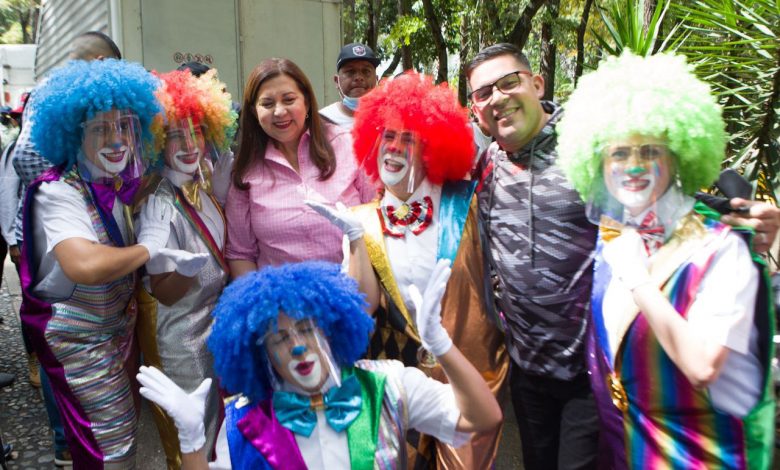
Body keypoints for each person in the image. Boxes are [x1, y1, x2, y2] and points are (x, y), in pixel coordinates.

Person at [465, 43, 780, 470]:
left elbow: (660, 194)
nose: (498, 98)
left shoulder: (589, 150)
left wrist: (742, 215)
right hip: (527, 367)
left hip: (590, 370)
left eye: (508, 82)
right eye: (484, 92)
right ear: (476, 108)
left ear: (537, 84)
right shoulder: (486, 165)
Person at [557, 51, 775, 469]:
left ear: (677, 157)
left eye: (650, 151)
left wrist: (639, 280)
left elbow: (703, 366)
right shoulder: (615, 230)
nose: (633, 166)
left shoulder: (721, 247)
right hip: (625, 446)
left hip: (698, 456)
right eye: (619, 154)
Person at [309, 72, 508, 469]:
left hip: (470, 373)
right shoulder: (361, 220)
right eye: (388, 136)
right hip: (401, 377)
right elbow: (362, 308)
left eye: (409, 139)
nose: (395, 148)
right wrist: (355, 241)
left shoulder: (466, 205)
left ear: (431, 147)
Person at [136, 260, 503, 469]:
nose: (297, 347)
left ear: (330, 328)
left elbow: (484, 418)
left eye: (306, 329)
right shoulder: (244, 421)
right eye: (279, 339)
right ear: (263, 355)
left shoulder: (389, 384)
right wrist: (192, 441)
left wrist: (441, 346)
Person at [20, 58, 206, 469]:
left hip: (117, 336)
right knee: (110, 449)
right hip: (78, 343)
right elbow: (83, 264)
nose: (117, 139)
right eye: (101, 129)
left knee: (121, 439)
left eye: (124, 126)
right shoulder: (57, 192)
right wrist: (148, 248)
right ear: (74, 134)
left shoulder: (117, 185)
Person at [5, 30, 123, 467]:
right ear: (99, 62)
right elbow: (26, 158)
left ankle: (95, 432)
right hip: (55, 237)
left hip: (91, 232)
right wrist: (78, 171)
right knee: (63, 336)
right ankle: (65, 443)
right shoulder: (51, 95)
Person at [134, 68, 237, 469]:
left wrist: (222, 198)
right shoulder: (159, 202)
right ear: (157, 141)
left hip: (214, 328)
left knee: (219, 433)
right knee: (191, 437)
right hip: (180, 337)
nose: (189, 143)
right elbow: (162, 290)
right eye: (176, 134)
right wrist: (180, 269)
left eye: (196, 131)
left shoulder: (203, 180)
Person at [225, 58, 376, 279]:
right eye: (267, 104)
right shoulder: (245, 171)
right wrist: (262, 298)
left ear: (306, 101)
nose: (279, 112)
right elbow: (240, 253)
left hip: (353, 294)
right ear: (254, 112)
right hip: (279, 299)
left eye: (289, 99)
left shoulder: (349, 146)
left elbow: (378, 225)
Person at [319, 43, 380, 129]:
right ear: (337, 81)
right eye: (350, 71)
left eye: (366, 71)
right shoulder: (321, 121)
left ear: (376, 79)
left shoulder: (390, 119)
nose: (359, 77)